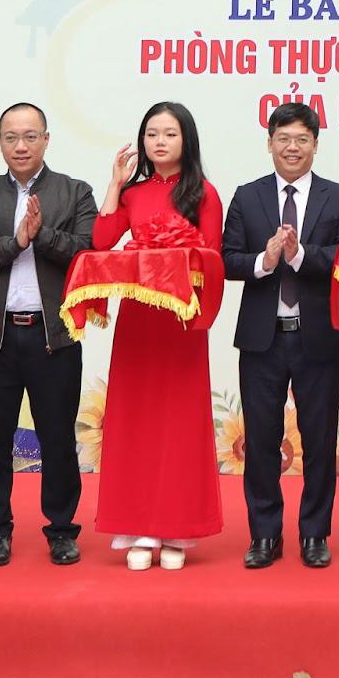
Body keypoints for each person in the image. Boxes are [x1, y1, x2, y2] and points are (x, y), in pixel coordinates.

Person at [0, 102, 97, 568]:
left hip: (54, 335)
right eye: (11, 137)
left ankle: (62, 530)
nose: (21, 145)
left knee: (58, 439)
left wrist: (42, 236)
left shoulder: (75, 192)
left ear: (46, 140)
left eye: (30, 136)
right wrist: (15, 242)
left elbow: (87, 252)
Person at [221, 102, 339, 570]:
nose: (292, 147)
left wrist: (299, 256)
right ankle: (264, 534)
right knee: (261, 440)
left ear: (316, 145)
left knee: (319, 440)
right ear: (270, 144)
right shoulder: (248, 196)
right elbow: (227, 258)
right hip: (263, 339)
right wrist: (264, 261)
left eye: (302, 139)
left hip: (319, 336)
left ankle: (315, 533)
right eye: (284, 139)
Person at [92, 102, 224, 570]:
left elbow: (212, 258)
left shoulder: (203, 193)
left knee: (179, 423)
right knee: (136, 420)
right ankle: (138, 530)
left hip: (181, 322)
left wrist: (174, 260)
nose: (160, 142)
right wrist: (114, 185)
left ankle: (176, 531)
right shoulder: (133, 193)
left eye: (170, 133)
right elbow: (102, 241)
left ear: (186, 139)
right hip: (138, 320)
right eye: (152, 134)